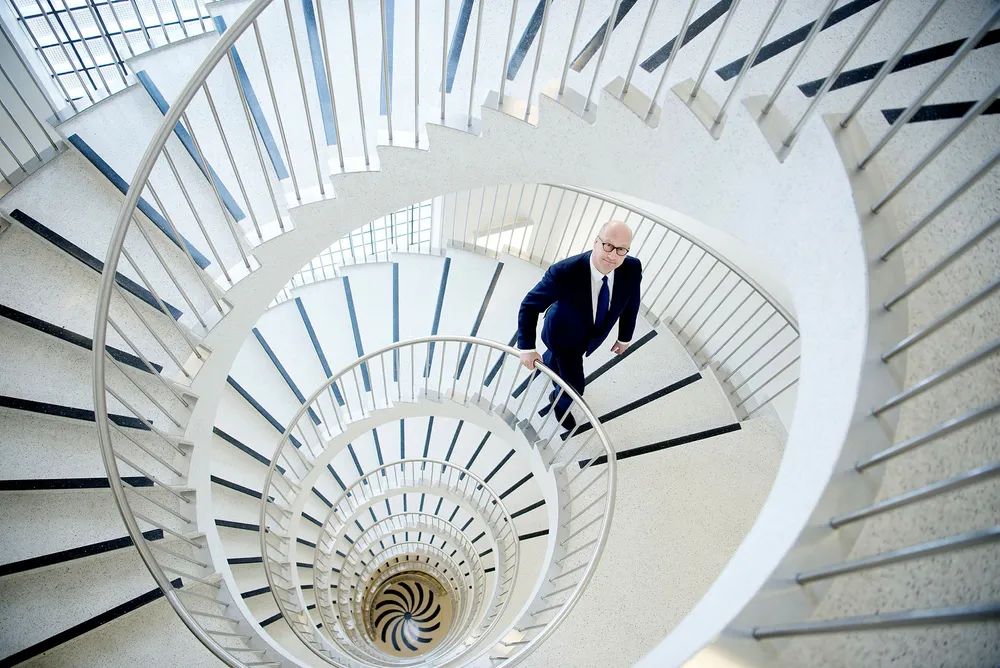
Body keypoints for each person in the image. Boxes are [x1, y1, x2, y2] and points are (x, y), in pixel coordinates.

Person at [517, 220, 642, 430]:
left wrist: (624, 337)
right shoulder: (564, 271)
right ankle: (559, 404)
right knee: (574, 387)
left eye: (621, 249)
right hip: (562, 335)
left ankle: (551, 362)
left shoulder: (632, 268)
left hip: (589, 335)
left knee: (554, 359)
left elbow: (632, 302)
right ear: (596, 242)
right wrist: (527, 348)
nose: (613, 255)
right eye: (608, 245)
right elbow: (529, 305)